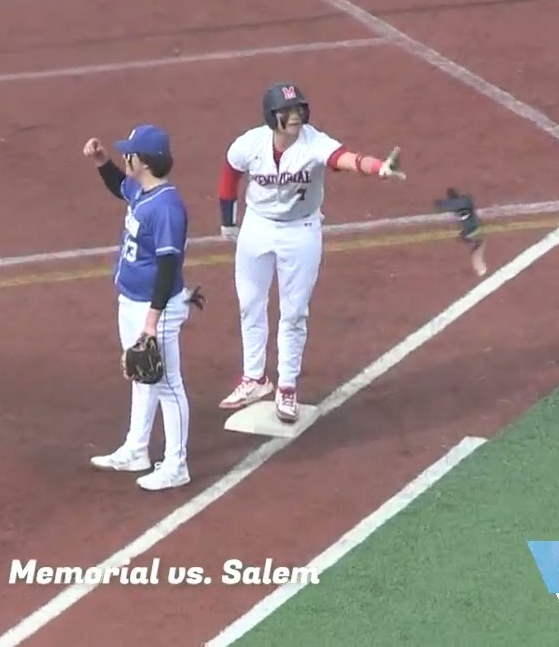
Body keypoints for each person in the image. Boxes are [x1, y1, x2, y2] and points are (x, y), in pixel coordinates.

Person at [217, 82, 405, 423]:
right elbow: (230, 174)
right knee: (250, 303)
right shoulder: (250, 144)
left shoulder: (314, 143)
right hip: (257, 225)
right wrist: (228, 220)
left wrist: (379, 167)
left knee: (294, 312)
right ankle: (255, 377)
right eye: (287, 112)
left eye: (298, 109)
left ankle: (286, 386)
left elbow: (345, 159)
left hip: (300, 230)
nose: (295, 116)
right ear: (271, 116)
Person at [85, 124, 195, 491]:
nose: (124, 157)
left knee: (166, 384)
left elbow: (168, 266)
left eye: (128, 152)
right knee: (142, 375)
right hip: (132, 300)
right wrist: (102, 162)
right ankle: (137, 449)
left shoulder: (166, 208)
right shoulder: (144, 192)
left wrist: (152, 321)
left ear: (143, 161)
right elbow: (120, 185)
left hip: (154, 307)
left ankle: (176, 463)